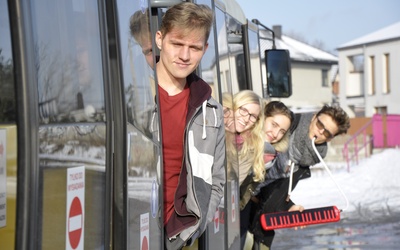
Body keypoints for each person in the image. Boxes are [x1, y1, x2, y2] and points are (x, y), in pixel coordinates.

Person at [150, 3, 226, 249]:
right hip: (131, 226)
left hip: (177, 234)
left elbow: (216, 180)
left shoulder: (211, 110)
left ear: (204, 49)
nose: (185, 56)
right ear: (160, 39)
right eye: (177, 44)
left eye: (194, 48)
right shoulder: (133, 96)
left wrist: (194, 227)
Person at [250, 104, 351, 249]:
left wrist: (288, 207)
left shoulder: (307, 159)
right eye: (320, 124)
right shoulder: (286, 125)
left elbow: (272, 188)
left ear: (330, 138)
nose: (320, 131)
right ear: (314, 116)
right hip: (234, 199)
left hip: (256, 221)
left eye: (327, 133)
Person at [239, 100, 294, 249]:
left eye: (282, 131)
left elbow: (265, 188)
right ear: (263, 118)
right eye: (274, 125)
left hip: (242, 209)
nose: (275, 134)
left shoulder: (272, 156)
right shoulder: (242, 140)